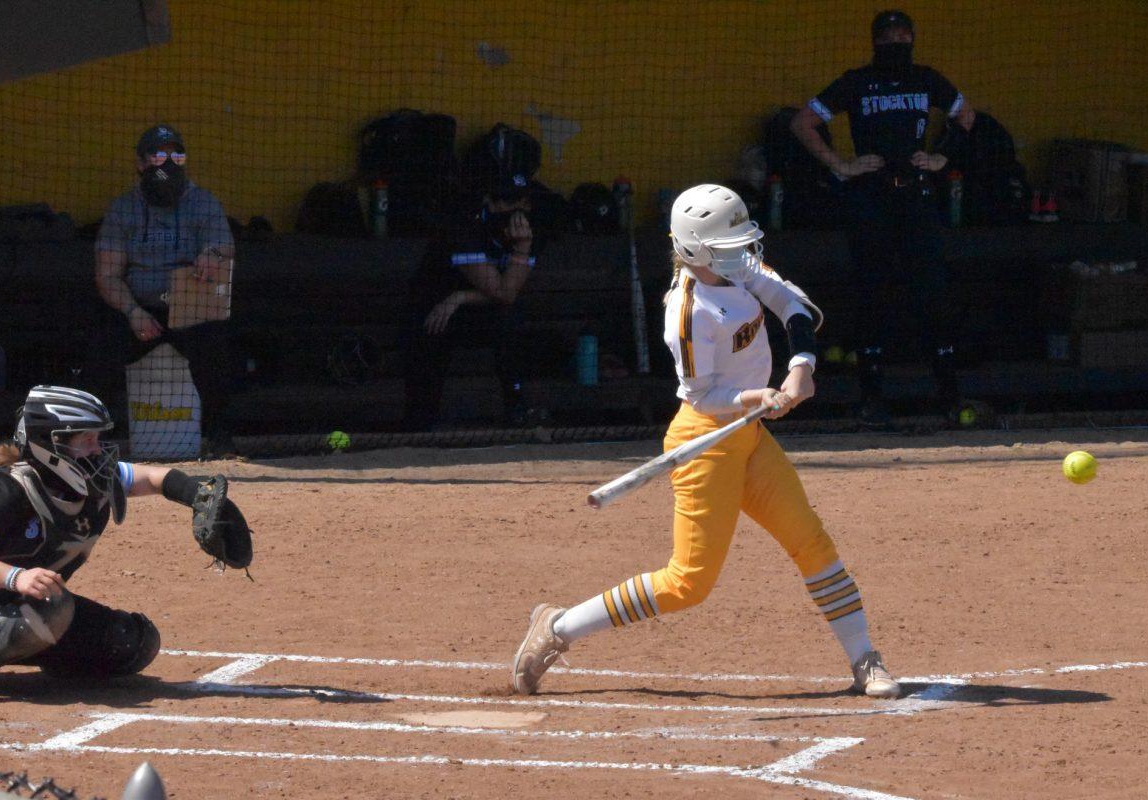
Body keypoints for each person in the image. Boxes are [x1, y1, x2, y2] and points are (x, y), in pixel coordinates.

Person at [510, 184, 900, 699]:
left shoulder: (739, 268)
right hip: (706, 438)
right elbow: (704, 395)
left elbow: (795, 306)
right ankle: (558, 627)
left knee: (811, 541)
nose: (743, 254)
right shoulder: (688, 312)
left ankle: (864, 659)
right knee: (687, 583)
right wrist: (757, 396)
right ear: (696, 248)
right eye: (729, 245)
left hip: (750, 439)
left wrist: (801, 366)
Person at [791, 10, 980, 426]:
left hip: (915, 196)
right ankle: (872, 397)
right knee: (872, 290)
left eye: (904, 35)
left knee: (931, 291)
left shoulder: (927, 79)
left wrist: (940, 157)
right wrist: (840, 164)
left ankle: (949, 394)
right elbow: (803, 122)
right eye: (889, 37)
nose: (897, 43)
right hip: (870, 199)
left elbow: (966, 116)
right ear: (875, 41)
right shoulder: (856, 82)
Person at [0, 386, 247, 678]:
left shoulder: (90, 481)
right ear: (50, 444)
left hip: (12, 607)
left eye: (97, 439)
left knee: (129, 642)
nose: (97, 449)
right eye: (86, 440)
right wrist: (15, 577)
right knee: (50, 612)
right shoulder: (8, 490)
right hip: (11, 601)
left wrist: (195, 495)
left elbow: (155, 478)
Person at [82, 124, 240, 455]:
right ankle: (96, 442)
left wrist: (211, 256)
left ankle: (220, 438)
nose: (167, 164)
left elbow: (224, 246)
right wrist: (133, 312)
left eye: (176, 155)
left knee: (217, 345)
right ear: (141, 163)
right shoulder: (123, 208)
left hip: (188, 302)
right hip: (139, 306)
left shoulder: (203, 202)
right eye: (158, 155)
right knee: (100, 347)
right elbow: (107, 275)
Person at [401, 173, 543, 431]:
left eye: (524, 202)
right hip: (433, 311)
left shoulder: (529, 233)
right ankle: (421, 425)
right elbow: (503, 291)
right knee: (433, 334)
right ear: (490, 203)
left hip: (468, 308)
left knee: (510, 319)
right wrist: (454, 297)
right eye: (510, 202)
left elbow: (508, 293)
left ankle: (517, 409)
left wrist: (461, 297)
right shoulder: (466, 230)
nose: (519, 211)